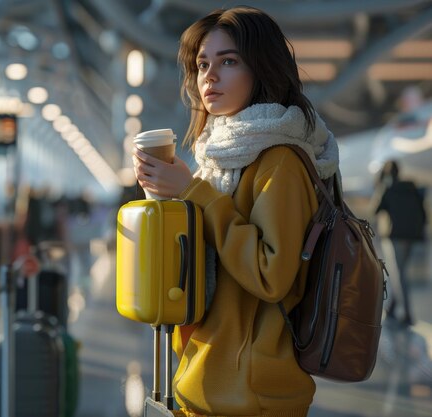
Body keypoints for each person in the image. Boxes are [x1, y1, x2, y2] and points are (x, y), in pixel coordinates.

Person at [132, 7, 339, 417]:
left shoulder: (280, 161)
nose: (209, 76)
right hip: (210, 381)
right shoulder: (220, 161)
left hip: (250, 396)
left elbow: (270, 275)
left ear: (261, 68)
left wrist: (193, 192)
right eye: (202, 64)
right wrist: (172, 201)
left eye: (229, 61)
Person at [373, 160, 426, 326]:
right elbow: (423, 213)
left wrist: (380, 187)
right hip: (412, 236)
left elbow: (375, 210)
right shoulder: (412, 189)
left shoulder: (388, 189)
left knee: (398, 273)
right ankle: (392, 307)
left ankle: (407, 313)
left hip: (395, 236)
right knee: (400, 271)